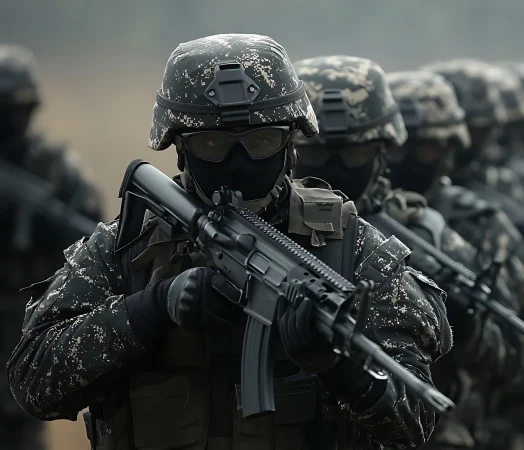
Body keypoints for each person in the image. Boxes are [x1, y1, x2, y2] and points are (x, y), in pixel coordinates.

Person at [7, 34, 452, 450]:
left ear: (290, 144)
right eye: (213, 144)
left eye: (261, 141)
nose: (239, 162)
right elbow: (33, 382)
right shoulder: (125, 249)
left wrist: (342, 367)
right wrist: (152, 308)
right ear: (179, 148)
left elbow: (414, 420)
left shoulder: (350, 247)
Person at [291, 55, 524, 450]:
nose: (334, 168)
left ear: (382, 152)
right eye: (316, 152)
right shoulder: (267, 233)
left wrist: (468, 328)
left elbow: (512, 366)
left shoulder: (433, 237)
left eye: (354, 154)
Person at [0, 44, 103, 450]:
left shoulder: (56, 169)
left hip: (24, 328)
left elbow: (93, 240)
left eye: (15, 108)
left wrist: (39, 221)